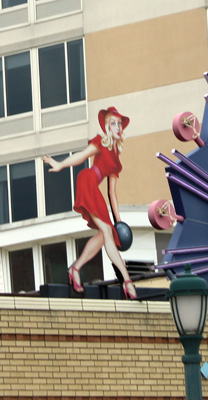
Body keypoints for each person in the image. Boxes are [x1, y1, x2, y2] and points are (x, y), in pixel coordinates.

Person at [42, 107, 137, 300]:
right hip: (87, 180)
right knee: (106, 231)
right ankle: (127, 280)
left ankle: (75, 269)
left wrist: (118, 221)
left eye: (119, 124)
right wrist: (60, 164)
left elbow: (112, 193)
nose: (117, 127)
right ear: (107, 127)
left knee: (105, 235)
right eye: (113, 123)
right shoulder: (101, 143)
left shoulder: (116, 159)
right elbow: (83, 155)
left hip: (96, 188)